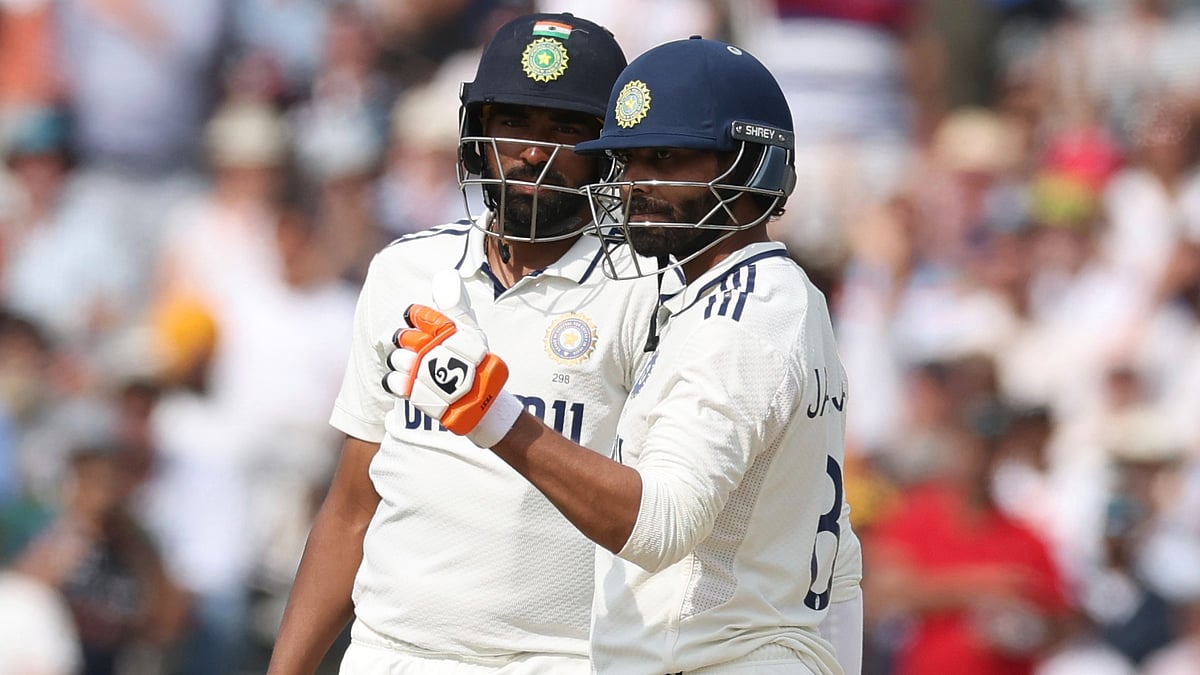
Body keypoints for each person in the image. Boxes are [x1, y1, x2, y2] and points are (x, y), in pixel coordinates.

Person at [385, 37, 863, 674]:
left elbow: (660, 525)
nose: (636, 185)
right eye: (627, 161)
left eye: (665, 159)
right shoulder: (754, 295)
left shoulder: (740, 317)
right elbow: (844, 559)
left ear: (752, 164)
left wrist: (491, 415)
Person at [266, 13, 662, 674]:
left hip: (565, 659)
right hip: (392, 653)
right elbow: (351, 508)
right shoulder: (404, 271)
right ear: (479, 136)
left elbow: (656, 516)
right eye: (516, 122)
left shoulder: (648, 291)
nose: (535, 150)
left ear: (610, 148)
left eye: (567, 129)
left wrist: (497, 419)